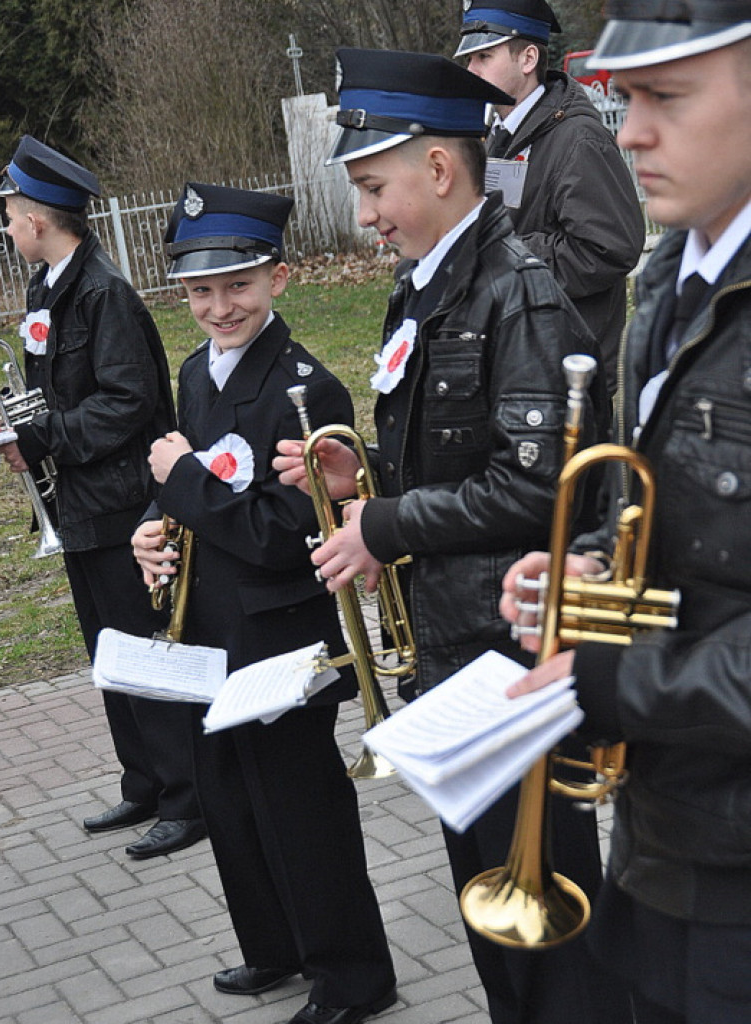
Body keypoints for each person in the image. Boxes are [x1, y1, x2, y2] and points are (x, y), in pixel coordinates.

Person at [275, 47, 632, 1024]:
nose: (365, 215)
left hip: (509, 655)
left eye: (372, 188)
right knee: (492, 921)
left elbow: (538, 490)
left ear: (438, 169)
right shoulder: (423, 286)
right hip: (453, 651)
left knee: (557, 940)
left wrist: (386, 523)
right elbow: (456, 455)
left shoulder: (518, 292)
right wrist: (365, 479)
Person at [500, 3, 751, 1022]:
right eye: (628, 98)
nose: (631, 131)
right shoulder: (672, 275)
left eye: (667, 99)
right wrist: (595, 566)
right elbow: (667, 504)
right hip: (663, 833)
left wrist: (614, 680)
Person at [131, 182, 396, 1024]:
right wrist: (153, 528)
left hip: (283, 636)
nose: (220, 307)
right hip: (213, 629)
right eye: (200, 291)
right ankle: (274, 946)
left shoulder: (305, 389)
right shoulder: (195, 373)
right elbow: (196, 487)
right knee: (230, 799)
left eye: (238, 285)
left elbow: (285, 532)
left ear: (277, 278)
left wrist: (181, 485)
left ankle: (353, 977)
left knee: (300, 810)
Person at [0, 136, 205, 860]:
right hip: (77, 503)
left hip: (120, 503)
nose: (6, 227)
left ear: (38, 219)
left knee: (143, 649)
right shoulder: (47, 286)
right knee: (108, 651)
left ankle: (188, 796)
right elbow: (52, 393)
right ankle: (144, 782)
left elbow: (127, 401)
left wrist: (43, 438)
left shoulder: (103, 292)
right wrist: (10, 422)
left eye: (9, 215)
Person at [455, 0, 645, 394]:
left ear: (527, 59)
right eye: (469, 58)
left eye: (484, 57)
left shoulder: (577, 139)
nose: (471, 70)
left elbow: (610, 248)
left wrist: (502, 256)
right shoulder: (499, 133)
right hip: (522, 359)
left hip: (568, 372)